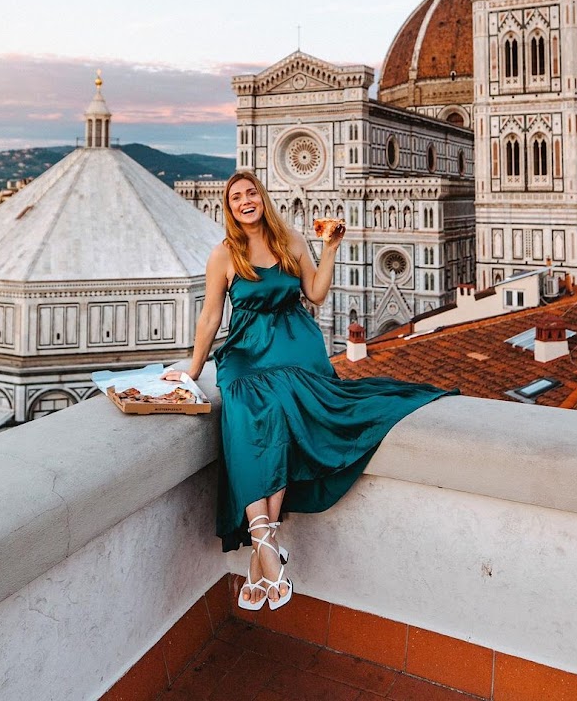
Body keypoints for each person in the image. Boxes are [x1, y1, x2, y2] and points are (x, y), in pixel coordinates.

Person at [162, 171, 456, 611]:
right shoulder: (223, 255)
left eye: (251, 193)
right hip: (245, 351)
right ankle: (267, 546)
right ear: (229, 207)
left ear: (262, 197)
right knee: (242, 418)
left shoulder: (291, 241)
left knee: (283, 412)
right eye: (236, 197)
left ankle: (263, 554)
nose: (245, 201)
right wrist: (193, 369)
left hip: (295, 347)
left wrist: (330, 249)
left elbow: (315, 294)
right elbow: (209, 318)